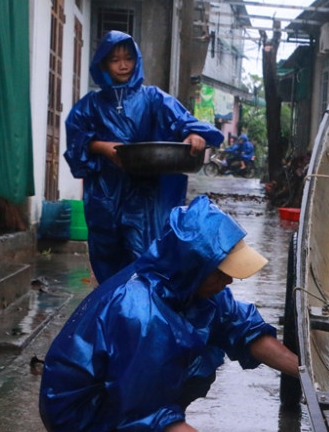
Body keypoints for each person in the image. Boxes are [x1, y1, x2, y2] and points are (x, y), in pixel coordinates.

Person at [39, 196, 300, 432]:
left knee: (197, 356)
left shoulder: (190, 285)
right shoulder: (141, 312)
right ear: (195, 267)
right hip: (77, 410)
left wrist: (305, 373)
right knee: (155, 383)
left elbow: (242, 328)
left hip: (125, 387)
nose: (228, 280)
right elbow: (144, 405)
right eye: (221, 271)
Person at [64, 30, 224, 284]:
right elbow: (75, 140)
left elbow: (184, 121)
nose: (123, 65)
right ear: (104, 63)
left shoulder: (153, 98)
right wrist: (103, 148)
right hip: (105, 194)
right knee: (107, 260)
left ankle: (146, 315)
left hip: (146, 197)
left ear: (136, 59)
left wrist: (195, 135)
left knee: (146, 259)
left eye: (128, 58)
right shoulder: (91, 105)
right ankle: (115, 315)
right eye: (115, 59)